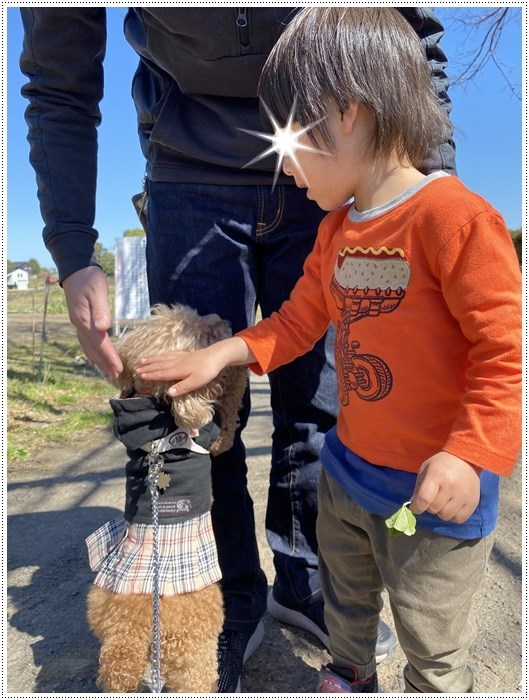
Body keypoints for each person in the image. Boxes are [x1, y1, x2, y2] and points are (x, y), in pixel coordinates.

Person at [20, 7, 456, 692]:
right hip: (188, 170)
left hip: (336, 162)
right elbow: (58, 76)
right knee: (191, 426)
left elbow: (413, 34)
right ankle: (223, 599)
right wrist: (71, 250)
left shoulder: (442, 219)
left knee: (323, 405)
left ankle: (305, 582)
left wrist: (429, 196)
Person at [136, 7, 522, 694]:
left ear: (345, 112)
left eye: (286, 139)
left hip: (431, 494)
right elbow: (294, 324)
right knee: (346, 602)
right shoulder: (336, 231)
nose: (280, 165)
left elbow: (503, 351)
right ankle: (349, 672)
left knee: (430, 636)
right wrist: (221, 355)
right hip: (346, 476)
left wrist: (471, 453)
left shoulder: (455, 219)